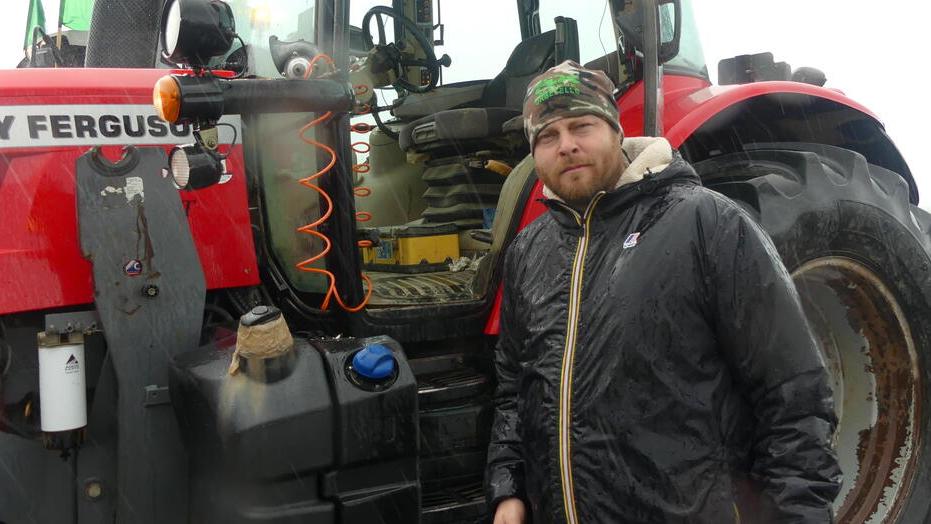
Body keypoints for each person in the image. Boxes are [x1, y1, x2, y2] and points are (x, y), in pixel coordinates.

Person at [485, 61, 842, 524]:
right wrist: (509, 488)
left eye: (581, 126)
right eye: (548, 136)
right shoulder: (528, 252)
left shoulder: (706, 223)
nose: (567, 145)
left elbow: (793, 392)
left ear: (615, 130)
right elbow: (515, 389)